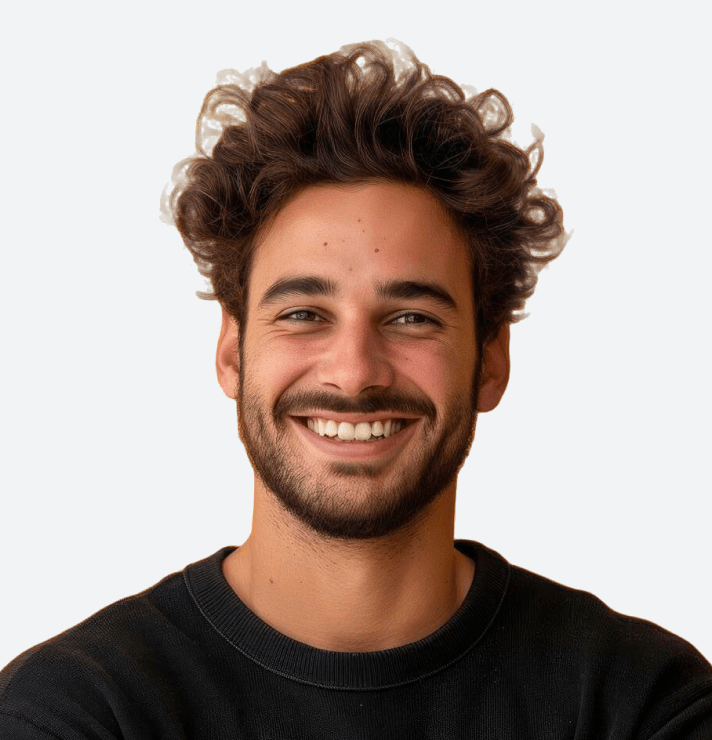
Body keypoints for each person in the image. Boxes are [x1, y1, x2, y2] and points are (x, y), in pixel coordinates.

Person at [1, 39, 710, 738]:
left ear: (491, 358)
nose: (354, 372)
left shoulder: (640, 706)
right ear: (231, 350)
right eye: (303, 314)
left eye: (412, 318)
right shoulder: (79, 713)